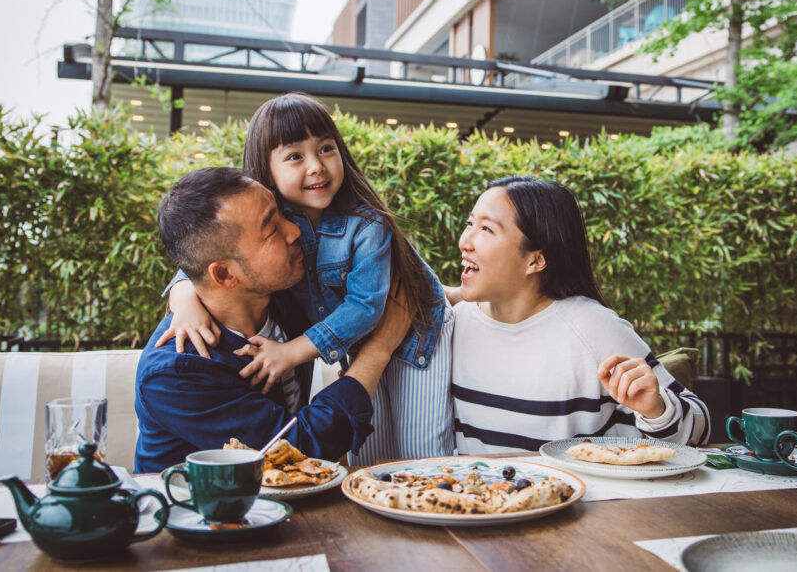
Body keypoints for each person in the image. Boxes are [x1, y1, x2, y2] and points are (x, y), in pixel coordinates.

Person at [161, 93, 454, 463]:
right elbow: (206, 256)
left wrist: (290, 352)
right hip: (362, 344)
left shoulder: (365, 224)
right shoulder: (268, 216)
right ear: (266, 171)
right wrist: (184, 299)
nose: (317, 166)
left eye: (327, 149)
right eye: (295, 156)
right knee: (369, 459)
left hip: (416, 334)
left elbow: (366, 305)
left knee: (421, 454)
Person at [134, 167, 410, 473]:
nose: (294, 231)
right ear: (226, 275)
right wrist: (379, 347)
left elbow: (198, 265)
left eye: (282, 213)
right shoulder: (177, 373)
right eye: (271, 230)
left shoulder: (283, 296)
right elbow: (297, 448)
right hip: (193, 513)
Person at [451, 176, 710, 453]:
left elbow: (701, 427)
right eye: (470, 224)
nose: (465, 241)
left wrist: (657, 409)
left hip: (586, 495)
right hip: (476, 493)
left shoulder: (592, 327)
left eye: (487, 229)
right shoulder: (455, 322)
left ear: (535, 260)